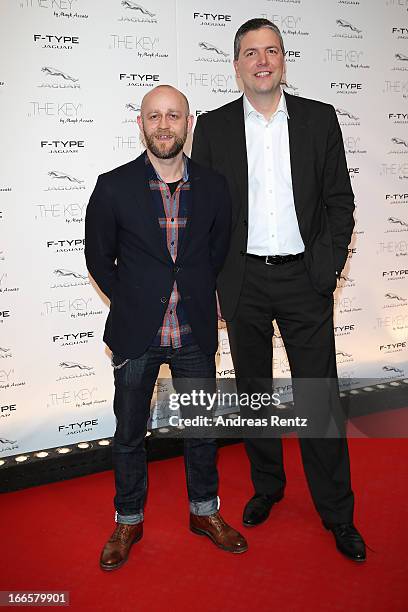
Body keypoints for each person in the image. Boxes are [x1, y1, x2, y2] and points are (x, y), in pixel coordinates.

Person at [192, 18, 366, 562]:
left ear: (284, 60)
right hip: (241, 280)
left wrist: (327, 270)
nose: (262, 60)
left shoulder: (319, 119)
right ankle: (268, 486)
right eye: (250, 53)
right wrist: (214, 283)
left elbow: (340, 201)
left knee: (319, 398)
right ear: (237, 64)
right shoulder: (215, 128)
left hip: (303, 280)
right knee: (255, 395)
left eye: (271, 51)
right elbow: (204, 216)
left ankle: (338, 513)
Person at [85, 84, 248, 571]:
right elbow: (99, 258)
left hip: (194, 333)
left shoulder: (215, 186)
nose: (163, 124)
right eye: (153, 116)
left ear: (188, 123)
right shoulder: (112, 185)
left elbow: (216, 254)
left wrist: (196, 294)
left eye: (173, 115)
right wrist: (134, 300)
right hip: (137, 337)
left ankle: (204, 513)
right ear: (140, 124)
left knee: (200, 430)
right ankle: (128, 519)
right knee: (130, 434)